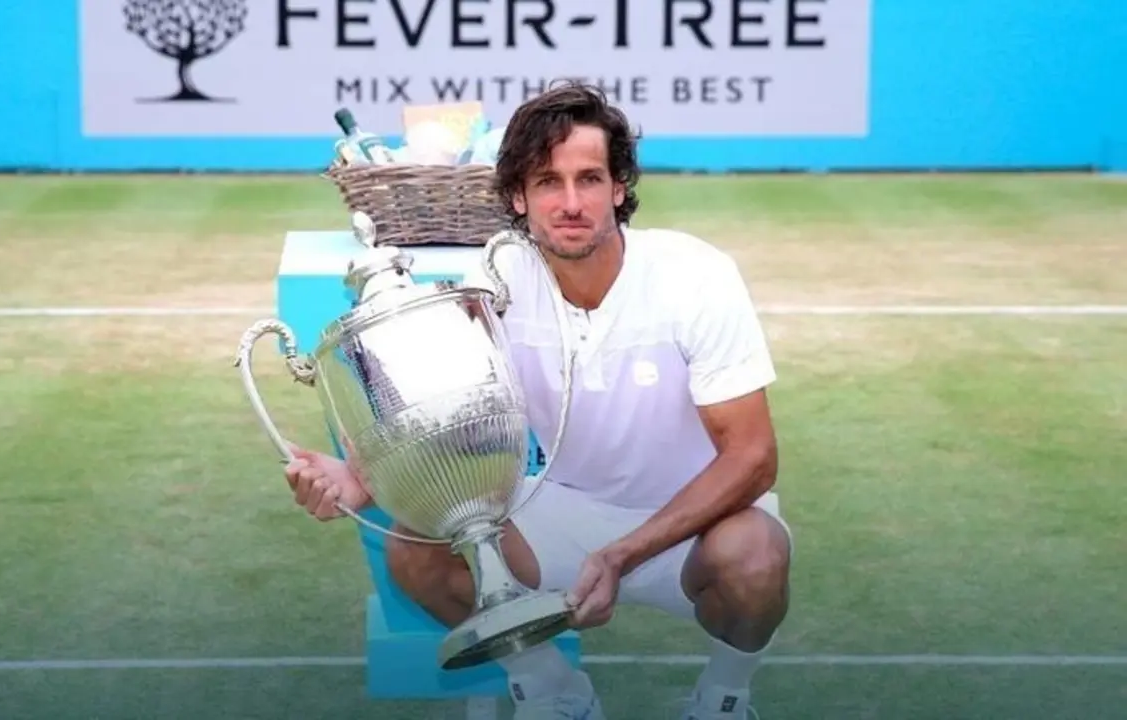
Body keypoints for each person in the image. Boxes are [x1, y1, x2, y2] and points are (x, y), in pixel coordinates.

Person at [284, 81, 793, 720]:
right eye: (548, 182)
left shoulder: (696, 274)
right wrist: (361, 481)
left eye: (589, 178)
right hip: (560, 510)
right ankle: (554, 690)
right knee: (413, 550)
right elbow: (442, 414)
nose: (571, 201)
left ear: (619, 187)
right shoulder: (494, 284)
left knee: (757, 557)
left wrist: (622, 554)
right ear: (519, 198)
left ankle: (723, 697)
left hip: (693, 523)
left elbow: (753, 458)